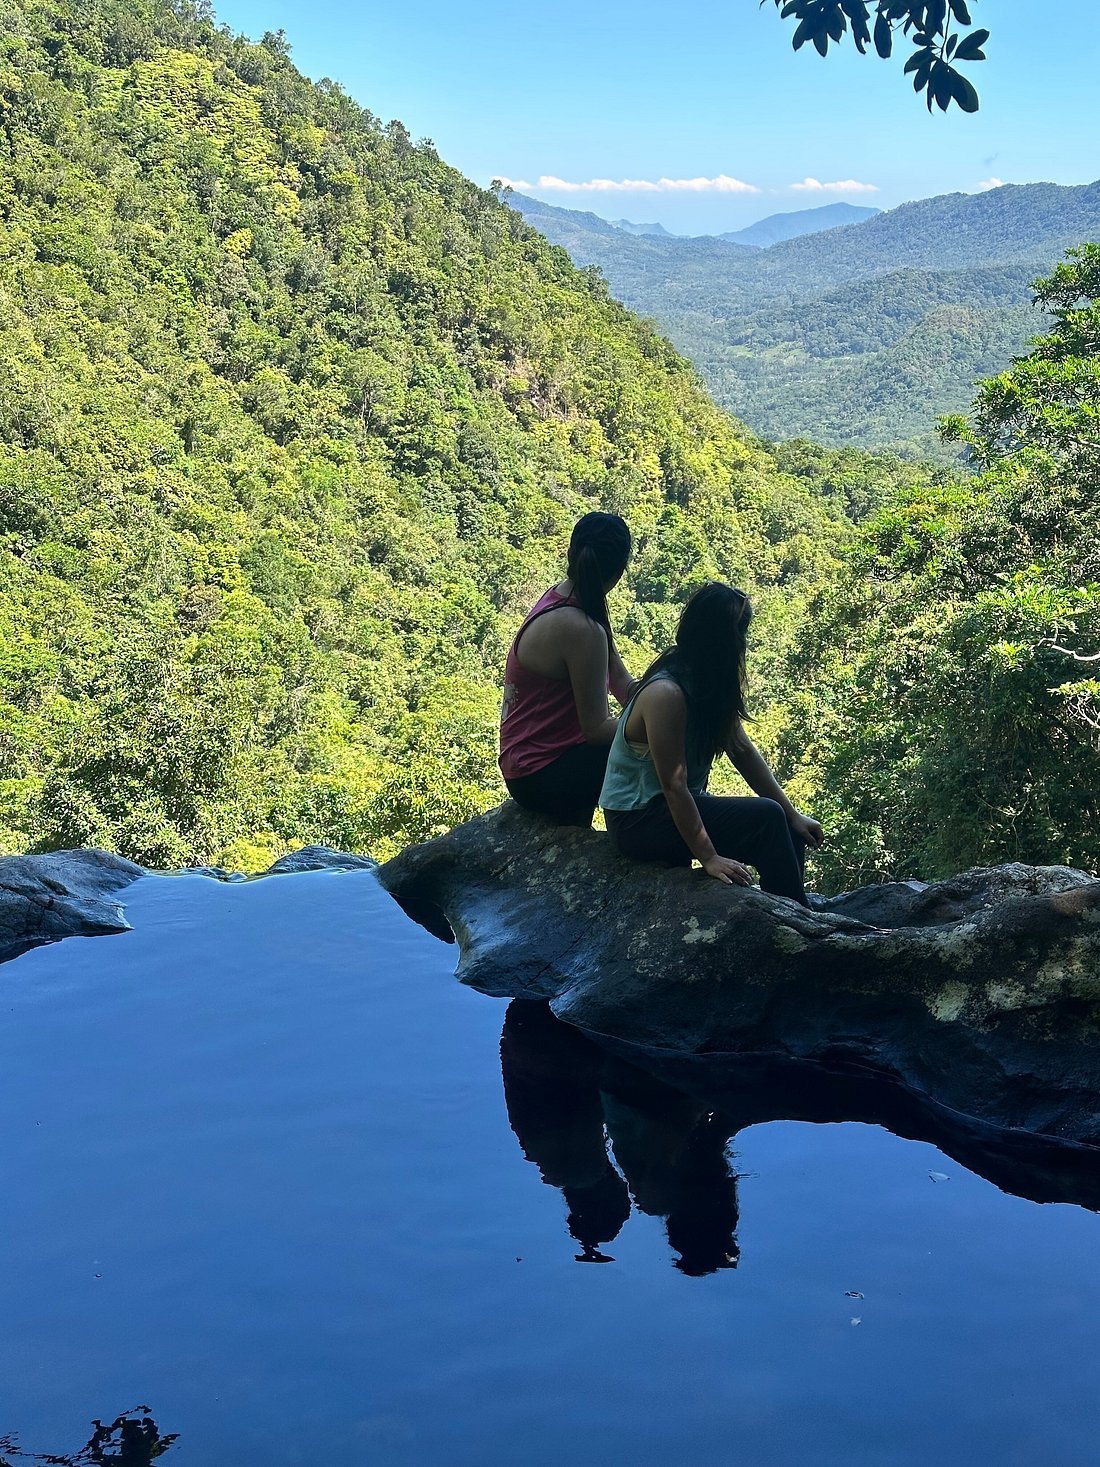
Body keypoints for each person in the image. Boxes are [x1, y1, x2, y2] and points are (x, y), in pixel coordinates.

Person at [600, 581, 823, 905]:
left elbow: (742, 750)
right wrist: (709, 857)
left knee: (786, 826)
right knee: (766, 819)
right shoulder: (667, 693)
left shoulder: (707, 680)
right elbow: (673, 786)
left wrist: (794, 814)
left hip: (669, 806)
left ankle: (793, 913)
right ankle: (796, 927)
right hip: (637, 818)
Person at [499, 512, 636, 826]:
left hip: (530, 761)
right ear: (618, 574)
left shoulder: (567, 598)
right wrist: (655, 724)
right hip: (539, 772)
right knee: (647, 749)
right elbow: (597, 728)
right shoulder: (581, 628)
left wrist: (662, 698)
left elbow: (620, 681)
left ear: (570, 554)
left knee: (653, 738)